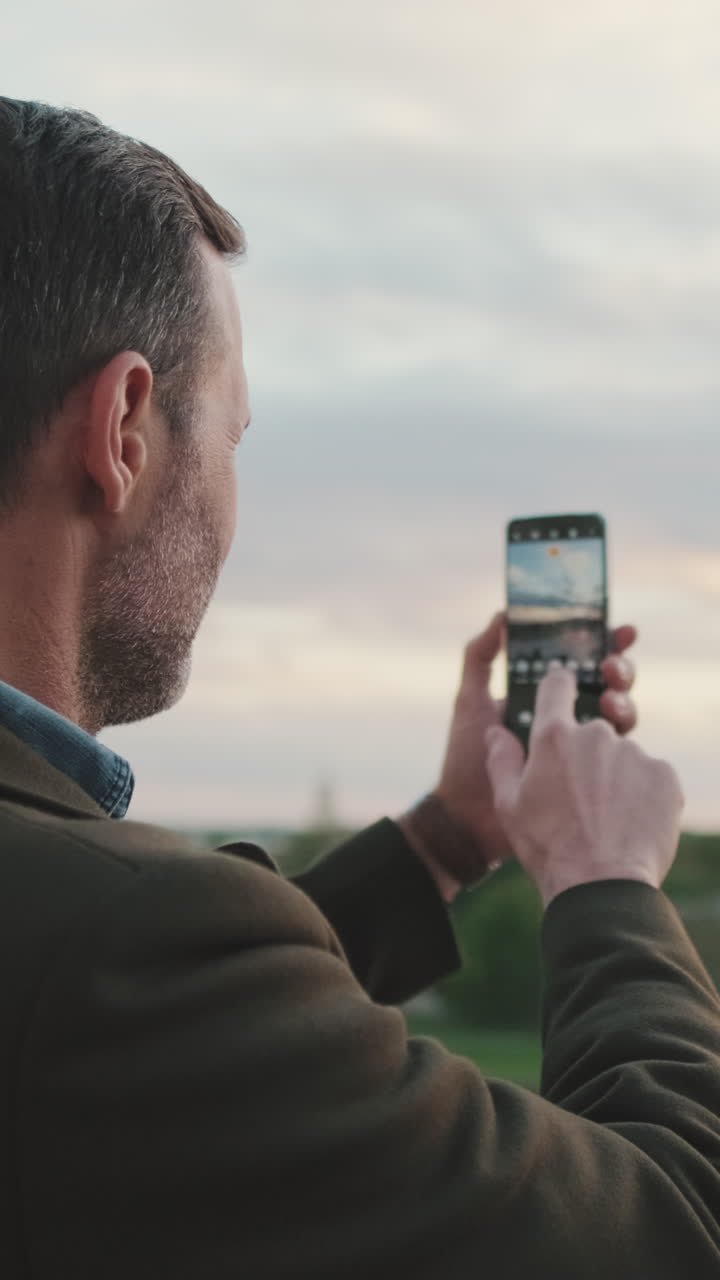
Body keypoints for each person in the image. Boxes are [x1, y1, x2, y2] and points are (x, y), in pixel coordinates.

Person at [0, 96, 719, 1280]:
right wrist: (604, 877)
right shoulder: (118, 954)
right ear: (124, 427)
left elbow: (157, 1043)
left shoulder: (88, 968)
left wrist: (443, 838)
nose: (234, 502)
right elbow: (674, 1229)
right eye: (233, 437)